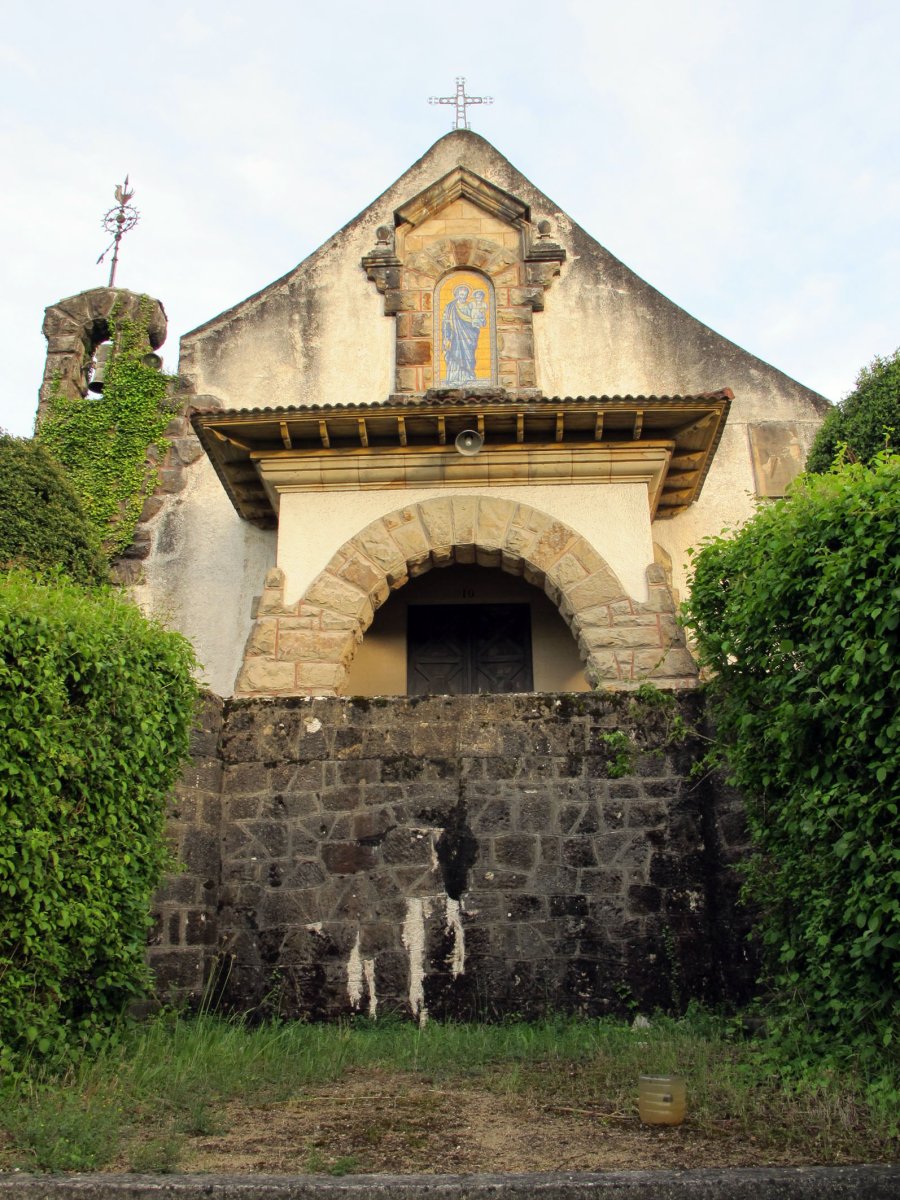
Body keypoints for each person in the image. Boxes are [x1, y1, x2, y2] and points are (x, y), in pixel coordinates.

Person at [442, 285, 486, 384]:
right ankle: (454, 378)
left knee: (468, 356)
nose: (463, 297)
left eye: (465, 295)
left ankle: (468, 376)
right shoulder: (450, 306)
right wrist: (446, 336)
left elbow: (477, 320)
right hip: (454, 336)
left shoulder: (470, 305)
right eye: (461, 294)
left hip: (469, 336)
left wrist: (479, 317)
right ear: (456, 295)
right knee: (454, 355)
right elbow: (445, 321)